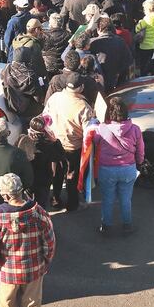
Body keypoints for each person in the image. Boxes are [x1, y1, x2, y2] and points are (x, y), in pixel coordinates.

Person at [0, 172, 55, 307]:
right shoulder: (38, 213)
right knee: (32, 305)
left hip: (7, 271)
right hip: (34, 268)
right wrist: (46, 261)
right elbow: (49, 241)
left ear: (7, 196)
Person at [92, 97, 144, 236]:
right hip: (128, 169)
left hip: (106, 170)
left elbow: (95, 141)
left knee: (107, 199)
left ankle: (106, 226)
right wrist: (139, 163)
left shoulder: (101, 129)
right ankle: (127, 225)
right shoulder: (135, 129)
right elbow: (140, 151)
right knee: (126, 199)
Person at [43, 73, 95, 212]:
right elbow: (88, 133)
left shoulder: (54, 98)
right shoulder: (84, 107)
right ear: (81, 87)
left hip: (55, 143)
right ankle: (72, 204)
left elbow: (45, 117)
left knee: (57, 173)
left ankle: (55, 199)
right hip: (73, 148)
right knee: (72, 176)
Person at [134, 0, 154, 75]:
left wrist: (140, 22)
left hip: (145, 46)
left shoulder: (147, 19)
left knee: (144, 67)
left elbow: (137, 29)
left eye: (144, 9)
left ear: (148, 9)